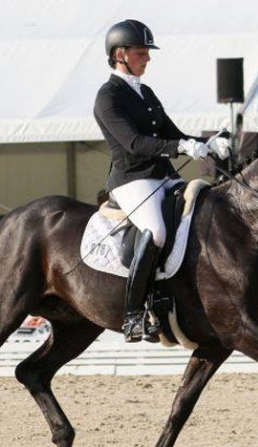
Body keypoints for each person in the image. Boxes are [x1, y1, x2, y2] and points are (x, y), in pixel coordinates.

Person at [93, 19, 230, 343]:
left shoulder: (145, 91)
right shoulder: (108, 96)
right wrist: (181, 147)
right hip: (132, 180)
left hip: (163, 177)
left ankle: (172, 298)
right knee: (155, 232)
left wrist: (206, 143)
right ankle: (133, 315)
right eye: (142, 53)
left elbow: (171, 133)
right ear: (120, 54)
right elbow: (134, 143)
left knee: (198, 216)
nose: (148, 59)